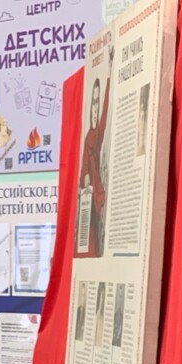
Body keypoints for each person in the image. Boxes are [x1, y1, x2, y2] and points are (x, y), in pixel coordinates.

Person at [78, 47, 114, 258]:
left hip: (95, 198)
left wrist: (109, 71)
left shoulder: (97, 133)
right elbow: (83, 169)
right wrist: (84, 181)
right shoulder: (87, 136)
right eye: (92, 102)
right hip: (85, 199)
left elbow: (107, 107)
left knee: (94, 249)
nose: (94, 108)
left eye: (96, 102)